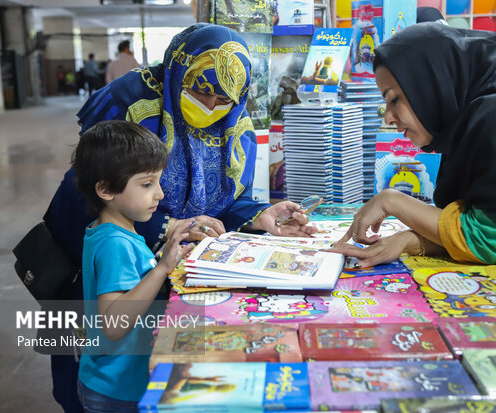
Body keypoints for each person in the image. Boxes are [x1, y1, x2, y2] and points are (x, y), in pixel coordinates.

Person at [44, 23, 316, 412]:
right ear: (179, 70)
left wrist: (259, 215)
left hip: (161, 291)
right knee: (94, 380)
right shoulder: (130, 105)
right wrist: (166, 228)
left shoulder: (233, 125)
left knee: (144, 375)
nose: (209, 105)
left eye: (223, 98)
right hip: (111, 280)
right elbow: (83, 191)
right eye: (201, 90)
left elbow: (220, 200)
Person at [330, 23, 496, 277]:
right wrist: (410, 239)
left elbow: (491, 239)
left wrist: (392, 200)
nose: (388, 117)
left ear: (431, 84)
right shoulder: (481, 113)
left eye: (395, 99)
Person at [72, 120, 193, 411]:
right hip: (117, 388)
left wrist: (167, 257)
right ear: (106, 189)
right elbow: (113, 326)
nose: (159, 194)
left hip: (119, 381)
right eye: (147, 184)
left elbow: (132, 279)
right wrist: (162, 269)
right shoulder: (115, 244)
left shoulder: (117, 231)